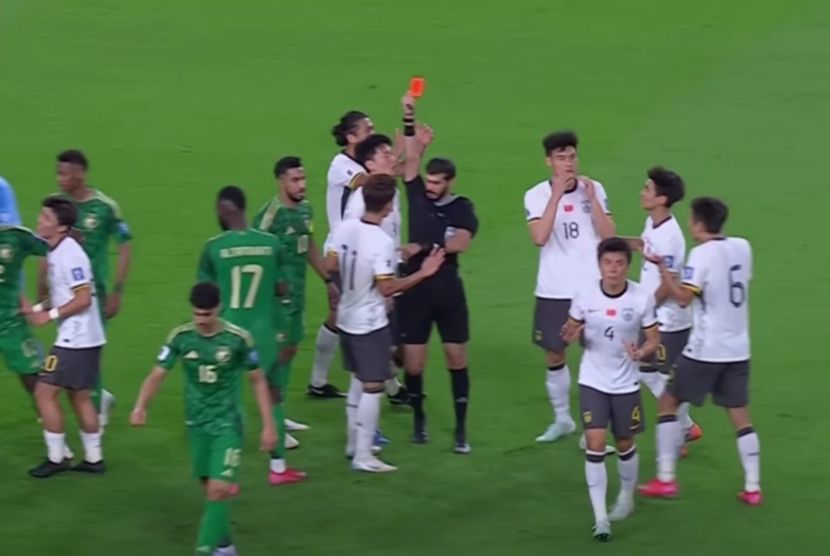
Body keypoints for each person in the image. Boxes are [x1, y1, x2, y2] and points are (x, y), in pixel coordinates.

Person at [130, 282, 277, 556]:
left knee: (219, 490)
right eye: (197, 314)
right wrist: (141, 406)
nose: (201, 320)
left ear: (219, 308)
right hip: (196, 424)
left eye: (206, 314)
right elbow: (157, 374)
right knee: (210, 489)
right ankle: (225, 546)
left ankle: (203, 550)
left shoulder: (238, 339)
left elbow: (258, 381)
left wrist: (269, 426)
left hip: (228, 424)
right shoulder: (181, 337)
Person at [639, 198, 761, 506]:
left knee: (668, 403)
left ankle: (666, 479)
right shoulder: (742, 247)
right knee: (740, 415)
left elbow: (683, 298)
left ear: (699, 223)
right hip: (738, 349)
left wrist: (665, 272)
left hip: (706, 349)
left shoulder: (702, 254)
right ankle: (753, 487)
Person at [326, 174, 444, 472]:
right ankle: (364, 455)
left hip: (346, 316)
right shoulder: (381, 241)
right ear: (389, 205)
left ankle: (354, 443)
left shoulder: (344, 228)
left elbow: (331, 264)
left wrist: (349, 289)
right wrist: (424, 273)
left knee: (357, 379)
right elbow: (387, 288)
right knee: (373, 385)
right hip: (369, 322)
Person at [197, 185, 304, 486]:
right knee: (273, 396)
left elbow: (204, 295)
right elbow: (283, 288)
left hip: (227, 333)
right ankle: (278, 469)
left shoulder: (213, 247)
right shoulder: (271, 244)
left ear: (223, 210)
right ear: (244, 208)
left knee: (225, 401)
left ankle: (221, 471)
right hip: (266, 332)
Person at [561, 237, 660, 541]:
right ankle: (601, 518)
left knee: (625, 442)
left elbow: (654, 339)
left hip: (626, 382)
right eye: (607, 263)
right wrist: (569, 335)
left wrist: (641, 352)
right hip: (593, 380)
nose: (613, 269)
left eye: (619, 263)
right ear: (599, 265)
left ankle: (626, 498)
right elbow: (572, 329)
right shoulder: (585, 294)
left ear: (627, 266)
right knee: (595, 443)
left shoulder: (641, 298)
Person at [398, 93, 479, 452]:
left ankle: (461, 429)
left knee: (455, 358)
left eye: (436, 183)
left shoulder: (462, 207)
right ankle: (419, 420)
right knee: (414, 364)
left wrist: (423, 247)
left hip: (447, 291)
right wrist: (409, 116)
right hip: (415, 291)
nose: (429, 187)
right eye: (428, 181)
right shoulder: (416, 194)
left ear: (450, 182)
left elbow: (461, 242)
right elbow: (411, 158)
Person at [524, 131, 615, 443]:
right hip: (554, 289)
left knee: (600, 356)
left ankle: (594, 428)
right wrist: (556, 197)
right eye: (561, 157)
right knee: (554, 354)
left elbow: (609, 237)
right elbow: (539, 238)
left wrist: (592, 200)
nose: (568, 163)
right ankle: (562, 419)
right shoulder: (536, 195)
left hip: (593, 289)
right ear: (548, 161)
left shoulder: (594, 189)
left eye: (572, 156)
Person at [40, 149, 133, 428]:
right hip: (62, 294)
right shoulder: (56, 207)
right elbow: (44, 248)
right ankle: (96, 401)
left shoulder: (104, 207)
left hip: (94, 294)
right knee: (76, 353)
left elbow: (125, 245)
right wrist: (43, 291)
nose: (59, 179)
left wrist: (118, 290)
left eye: (65, 173)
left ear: (81, 174)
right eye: (57, 173)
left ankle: (95, 412)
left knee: (89, 352)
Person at [252, 156, 336, 459]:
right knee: (274, 359)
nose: (302, 185)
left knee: (289, 353)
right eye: (295, 180)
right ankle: (271, 421)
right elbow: (254, 253)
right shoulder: (270, 216)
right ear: (281, 182)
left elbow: (309, 244)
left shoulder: (305, 209)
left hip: (297, 298)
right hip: (274, 303)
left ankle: (279, 413)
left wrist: (328, 279)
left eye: (303, 179)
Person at [27, 197, 106, 478]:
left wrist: (48, 316)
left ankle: (57, 457)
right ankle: (94, 459)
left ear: (61, 227)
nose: (40, 221)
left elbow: (83, 299)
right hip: (87, 338)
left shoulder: (69, 254)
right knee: (79, 396)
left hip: (76, 339)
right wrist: (38, 308)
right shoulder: (58, 249)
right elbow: (65, 294)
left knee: (44, 392)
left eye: (46, 218)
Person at [627, 167, 702, 448]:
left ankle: (683, 428)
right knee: (645, 371)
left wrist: (644, 312)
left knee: (660, 377)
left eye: (647, 189)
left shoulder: (671, 237)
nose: (642, 193)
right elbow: (642, 245)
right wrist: (610, 243)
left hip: (668, 321)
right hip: (655, 316)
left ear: (661, 199)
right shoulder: (653, 223)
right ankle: (686, 427)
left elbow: (666, 285)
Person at [307, 111, 375, 399]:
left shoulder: (365, 162)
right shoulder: (341, 165)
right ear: (351, 137)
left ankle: (319, 381)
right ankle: (323, 381)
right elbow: (366, 182)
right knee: (347, 314)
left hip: (364, 250)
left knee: (360, 312)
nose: (373, 133)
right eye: (368, 130)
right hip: (340, 252)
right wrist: (390, 162)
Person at [341, 134, 410, 406]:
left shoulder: (389, 192)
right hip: (371, 288)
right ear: (369, 164)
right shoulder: (361, 201)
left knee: (394, 349)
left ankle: (385, 390)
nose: (393, 158)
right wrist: (381, 289)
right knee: (371, 362)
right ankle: (362, 425)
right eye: (386, 155)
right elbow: (354, 246)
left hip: (388, 274)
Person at [0, 225, 48, 398]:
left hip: (10, 320)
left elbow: (54, 249)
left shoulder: (16, 236)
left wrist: (48, 292)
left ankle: (48, 415)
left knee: (33, 376)